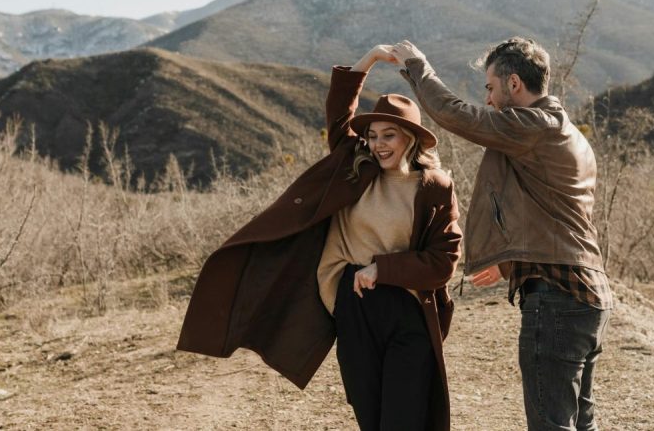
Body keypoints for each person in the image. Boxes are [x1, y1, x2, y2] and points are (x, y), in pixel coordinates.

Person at [177, 45, 462, 431]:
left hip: (408, 311)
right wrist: (369, 61)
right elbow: (340, 113)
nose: (378, 144)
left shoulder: (434, 187)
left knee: (404, 418)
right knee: (370, 414)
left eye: (389, 135)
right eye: (373, 135)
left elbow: (443, 261)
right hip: (354, 305)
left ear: (410, 138)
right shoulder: (353, 166)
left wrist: (383, 268)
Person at [389, 38, 613, 431]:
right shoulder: (566, 132)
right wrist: (511, 262)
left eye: (490, 88)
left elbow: (458, 116)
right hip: (587, 293)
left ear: (513, 84)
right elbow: (552, 215)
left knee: (551, 424)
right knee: (580, 422)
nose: (488, 100)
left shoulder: (534, 126)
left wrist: (418, 67)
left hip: (557, 297)